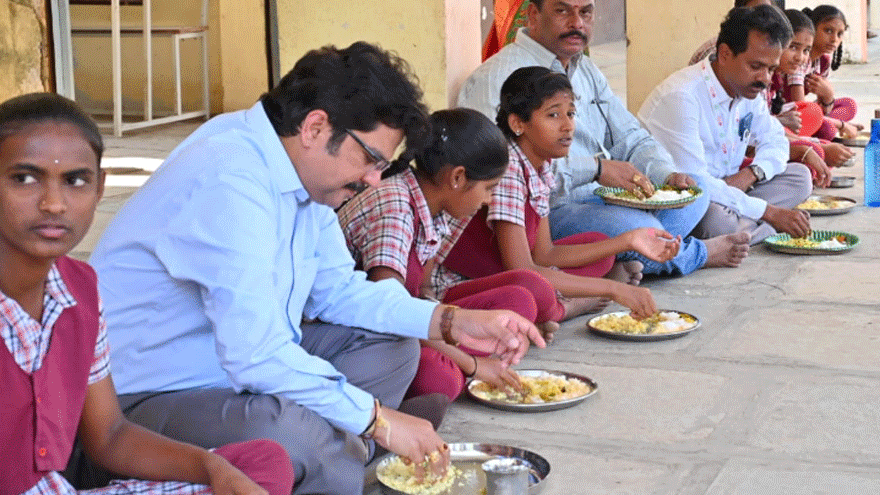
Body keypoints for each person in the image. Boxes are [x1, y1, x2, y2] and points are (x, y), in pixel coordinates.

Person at [90, 43, 545, 495]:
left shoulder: (306, 179)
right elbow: (255, 355)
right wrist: (377, 419)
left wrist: (450, 321)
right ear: (315, 127)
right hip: (147, 399)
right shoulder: (231, 178)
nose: (372, 179)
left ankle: (340, 450)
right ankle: (339, 450)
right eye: (370, 159)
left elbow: (337, 292)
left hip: (236, 371)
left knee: (395, 347)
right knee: (294, 434)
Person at [0, 93, 293, 495]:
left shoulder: (79, 290)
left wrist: (212, 469)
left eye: (75, 181)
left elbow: (110, 434)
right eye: (25, 179)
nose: (54, 204)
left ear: (100, 188)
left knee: (257, 463)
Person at [457, 0, 751, 273]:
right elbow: (498, 173)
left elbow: (631, 136)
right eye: (562, 12)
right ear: (533, 14)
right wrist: (595, 170)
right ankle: (693, 254)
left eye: (586, 13)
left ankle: (625, 256)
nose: (577, 24)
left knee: (697, 189)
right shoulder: (496, 78)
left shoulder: (585, 69)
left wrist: (665, 176)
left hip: (609, 202)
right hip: (554, 211)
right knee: (635, 224)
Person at [337, 108, 559, 406]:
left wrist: (460, 326)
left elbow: (423, 291)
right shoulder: (395, 206)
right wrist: (473, 364)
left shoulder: (440, 201)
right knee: (438, 377)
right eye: (489, 189)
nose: (488, 201)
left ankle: (468, 356)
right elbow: (392, 312)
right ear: (457, 177)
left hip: (417, 314)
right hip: (365, 333)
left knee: (520, 301)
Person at [444, 66, 674, 325]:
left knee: (600, 246)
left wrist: (629, 240)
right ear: (518, 123)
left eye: (571, 114)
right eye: (553, 115)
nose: (567, 126)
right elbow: (522, 269)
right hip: (473, 281)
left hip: (514, 273)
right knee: (531, 291)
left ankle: (566, 296)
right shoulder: (507, 171)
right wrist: (613, 289)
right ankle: (565, 308)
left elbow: (546, 254)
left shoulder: (541, 165)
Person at [639, 5, 814, 244]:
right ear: (724, 54)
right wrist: (769, 212)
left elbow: (775, 140)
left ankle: (741, 231)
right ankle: (762, 230)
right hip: (689, 202)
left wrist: (752, 173)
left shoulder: (748, 90)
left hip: (732, 193)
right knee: (714, 220)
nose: (765, 79)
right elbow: (696, 184)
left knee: (800, 177)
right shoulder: (682, 97)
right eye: (756, 66)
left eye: (771, 69)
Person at [768, 9, 832, 186]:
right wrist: (812, 146)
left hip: (781, 125)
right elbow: (754, 132)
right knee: (819, 143)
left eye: (806, 51)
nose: (800, 57)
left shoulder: (777, 75)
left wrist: (829, 98)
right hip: (754, 146)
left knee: (825, 131)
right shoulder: (762, 76)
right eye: (793, 47)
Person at [803, 5, 863, 141]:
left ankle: (827, 124)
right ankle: (827, 127)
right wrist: (842, 125)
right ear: (812, 29)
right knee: (828, 130)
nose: (834, 39)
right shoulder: (800, 59)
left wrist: (828, 97)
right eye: (828, 31)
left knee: (849, 105)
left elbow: (824, 108)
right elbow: (800, 111)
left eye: (839, 34)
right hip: (792, 116)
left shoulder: (823, 60)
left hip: (809, 113)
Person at [688, 0, 775, 66]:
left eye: (768, 13)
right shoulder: (715, 51)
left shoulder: (767, 50)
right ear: (739, 13)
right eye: (756, 12)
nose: (764, 19)